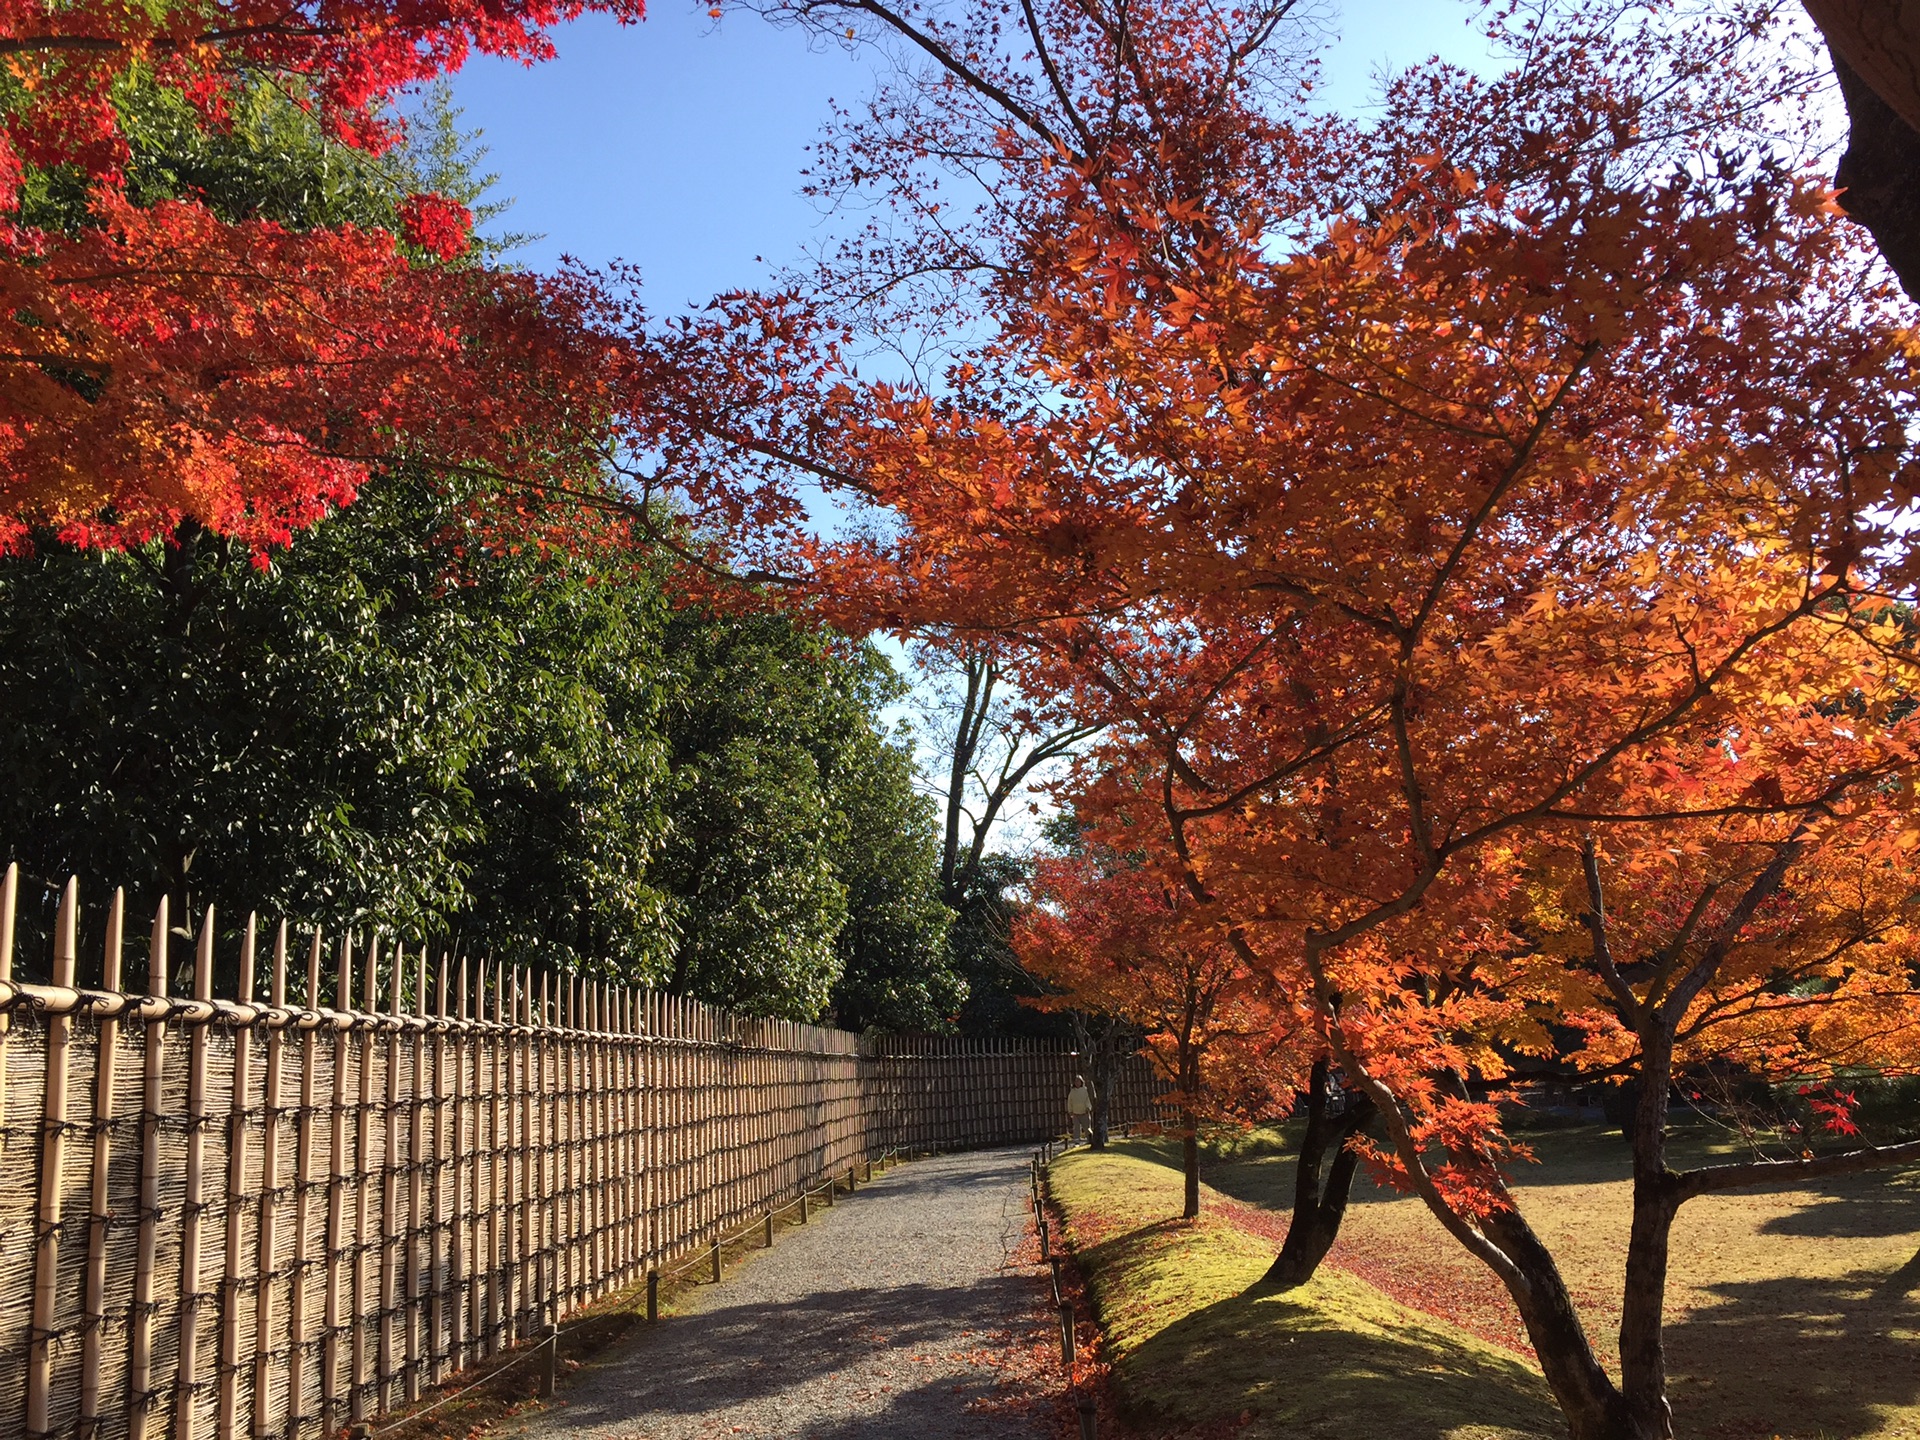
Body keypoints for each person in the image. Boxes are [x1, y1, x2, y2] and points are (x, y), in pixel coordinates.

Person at [1066, 1074, 1093, 1144]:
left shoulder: (1085, 1090)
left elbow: (1088, 1100)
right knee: (1076, 1128)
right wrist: (1070, 1111)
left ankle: (1090, 1140)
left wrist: (1088, 1107)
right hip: (1076, 1114)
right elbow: (1070, 1101)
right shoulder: (1072, 1092)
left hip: (1084, 1113)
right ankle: (1076, 1142)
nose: (1077, 1083)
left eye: (1079, 1081)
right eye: (1076, 1081)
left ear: (1081, 1082)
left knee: (1087, 1128)